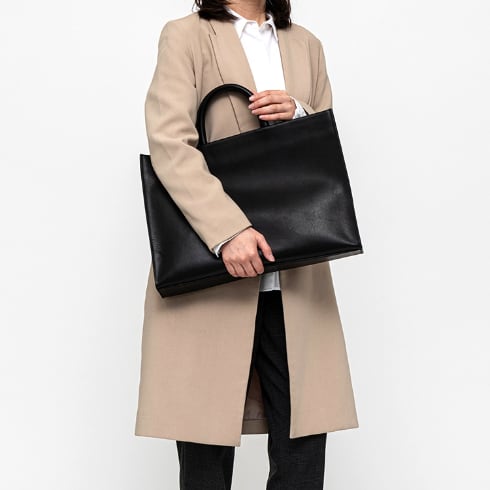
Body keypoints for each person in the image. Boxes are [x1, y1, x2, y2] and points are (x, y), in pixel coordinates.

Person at [135, 1, 359, 488]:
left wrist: (299, 112)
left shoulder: (306, 44)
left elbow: (322, 143)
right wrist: (227, 231)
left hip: (296, 272)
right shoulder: (186, 35)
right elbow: (170, 142)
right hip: (211, 270)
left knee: (303, 444)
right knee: (205, 448)